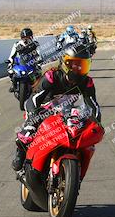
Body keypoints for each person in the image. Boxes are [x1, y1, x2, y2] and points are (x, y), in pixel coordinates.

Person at [12, 43, 101, 171]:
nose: (78, 69)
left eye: (82, 65)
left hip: (67, 111)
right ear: (65, 63)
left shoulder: (86, 82)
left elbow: (93, 105)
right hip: (43, 109)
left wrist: (96, 123)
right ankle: (20, 151)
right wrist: (31, 120)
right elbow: (33, 100)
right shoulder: (52, 76)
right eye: (74, 64)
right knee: (28, 133)